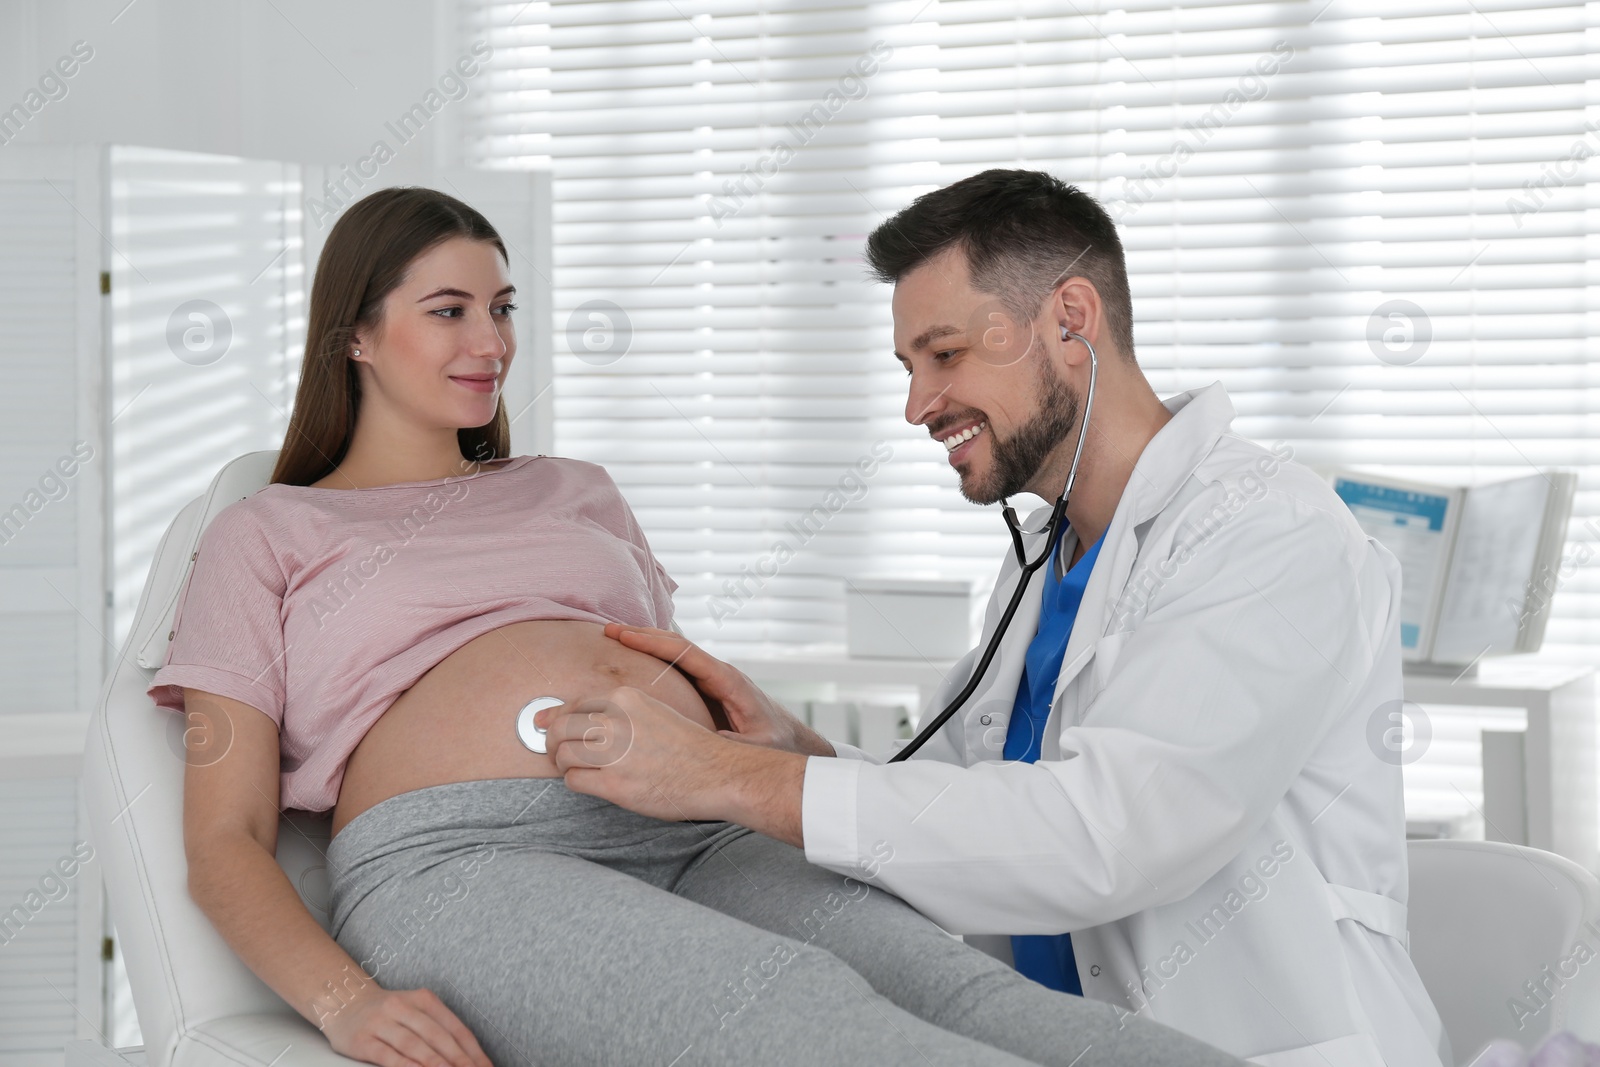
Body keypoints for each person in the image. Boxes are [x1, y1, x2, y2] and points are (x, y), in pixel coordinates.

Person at [147, 185, 1245, 1067]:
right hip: (465, 854)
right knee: (805, 1019)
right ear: (356, 338)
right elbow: (222, 841)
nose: (491, 339)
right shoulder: (268, 532)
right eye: (450, 311)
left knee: (967, 993)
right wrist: (343, 1002)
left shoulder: (573, 488)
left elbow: (669, 670)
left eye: (504, 307)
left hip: (695, 818)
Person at [537, 170, 1450, 1067]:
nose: (917, 405)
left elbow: (1112, 835)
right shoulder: (1042, 557)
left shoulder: (1267, 530)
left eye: (945, 355)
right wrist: (793, 749)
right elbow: (966, 812)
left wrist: (722, 777)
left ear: (1070, 320)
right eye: (908, 366)